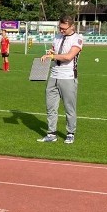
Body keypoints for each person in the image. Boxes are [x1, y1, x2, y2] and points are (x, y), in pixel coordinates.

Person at [37, 15, 83, 145]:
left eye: (64, 28)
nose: (61, 30)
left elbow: (69, 56)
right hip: (53, 75)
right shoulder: (56, 37)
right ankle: (51, 133)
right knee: (51, 107)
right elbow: (54, 51)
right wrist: (50, 52)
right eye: (60, 28)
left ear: (72, 26)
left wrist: (51, 55)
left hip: (68, 77)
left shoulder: (78, 38)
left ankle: (70, 133)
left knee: (69, 108)